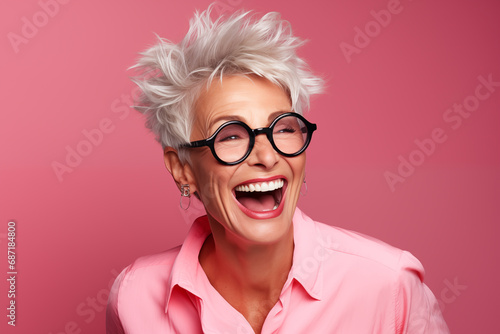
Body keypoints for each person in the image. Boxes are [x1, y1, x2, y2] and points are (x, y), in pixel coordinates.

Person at [106, 5, 449, 334]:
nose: (267, 156)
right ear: (182, 169)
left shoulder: (389, 286)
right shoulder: (134, 297)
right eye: (231, 135)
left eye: (283, 128)